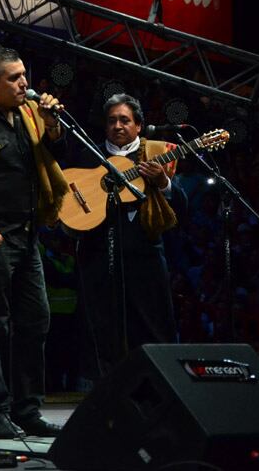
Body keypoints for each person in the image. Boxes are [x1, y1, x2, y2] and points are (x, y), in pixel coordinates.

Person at [0, 47, 69, 439]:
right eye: (13, 78)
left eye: (24, 74)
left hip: (27, 234)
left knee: (36, 320)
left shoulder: (29, 115)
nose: (25, 83)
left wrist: (53, 125)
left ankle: (28, 409)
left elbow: (53, 158)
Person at [75, 93, 187, 382]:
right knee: (104, 331)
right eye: (112, 120)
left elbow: (181, 209)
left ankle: (159, 391)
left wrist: (162, 182)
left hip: (146, 257)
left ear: (139, 125)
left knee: (153, 328)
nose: (118, 125)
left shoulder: (157, 153)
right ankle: (108, 397)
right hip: (99, 258)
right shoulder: (91, 153)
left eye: (125, 120)